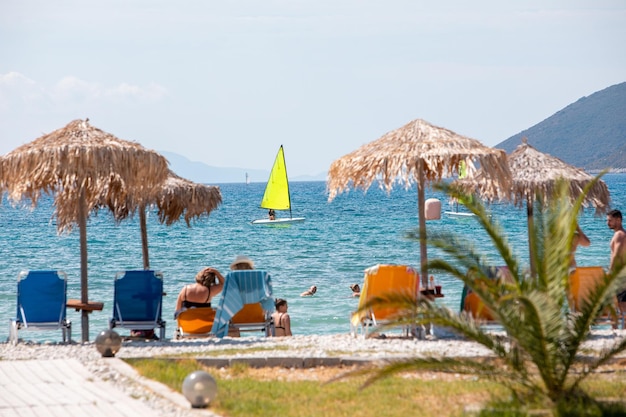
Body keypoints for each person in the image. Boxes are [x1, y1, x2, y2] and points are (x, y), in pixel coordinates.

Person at [607, 209, 626, 328]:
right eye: (607, 220)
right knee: (621, 303)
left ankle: (622, 331)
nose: (608, 223)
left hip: (620, 275)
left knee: (622, 304)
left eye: (610, 220)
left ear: (618, 220)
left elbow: (616, 253)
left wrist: (610, 271)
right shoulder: (622, 233)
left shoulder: (619, 234)